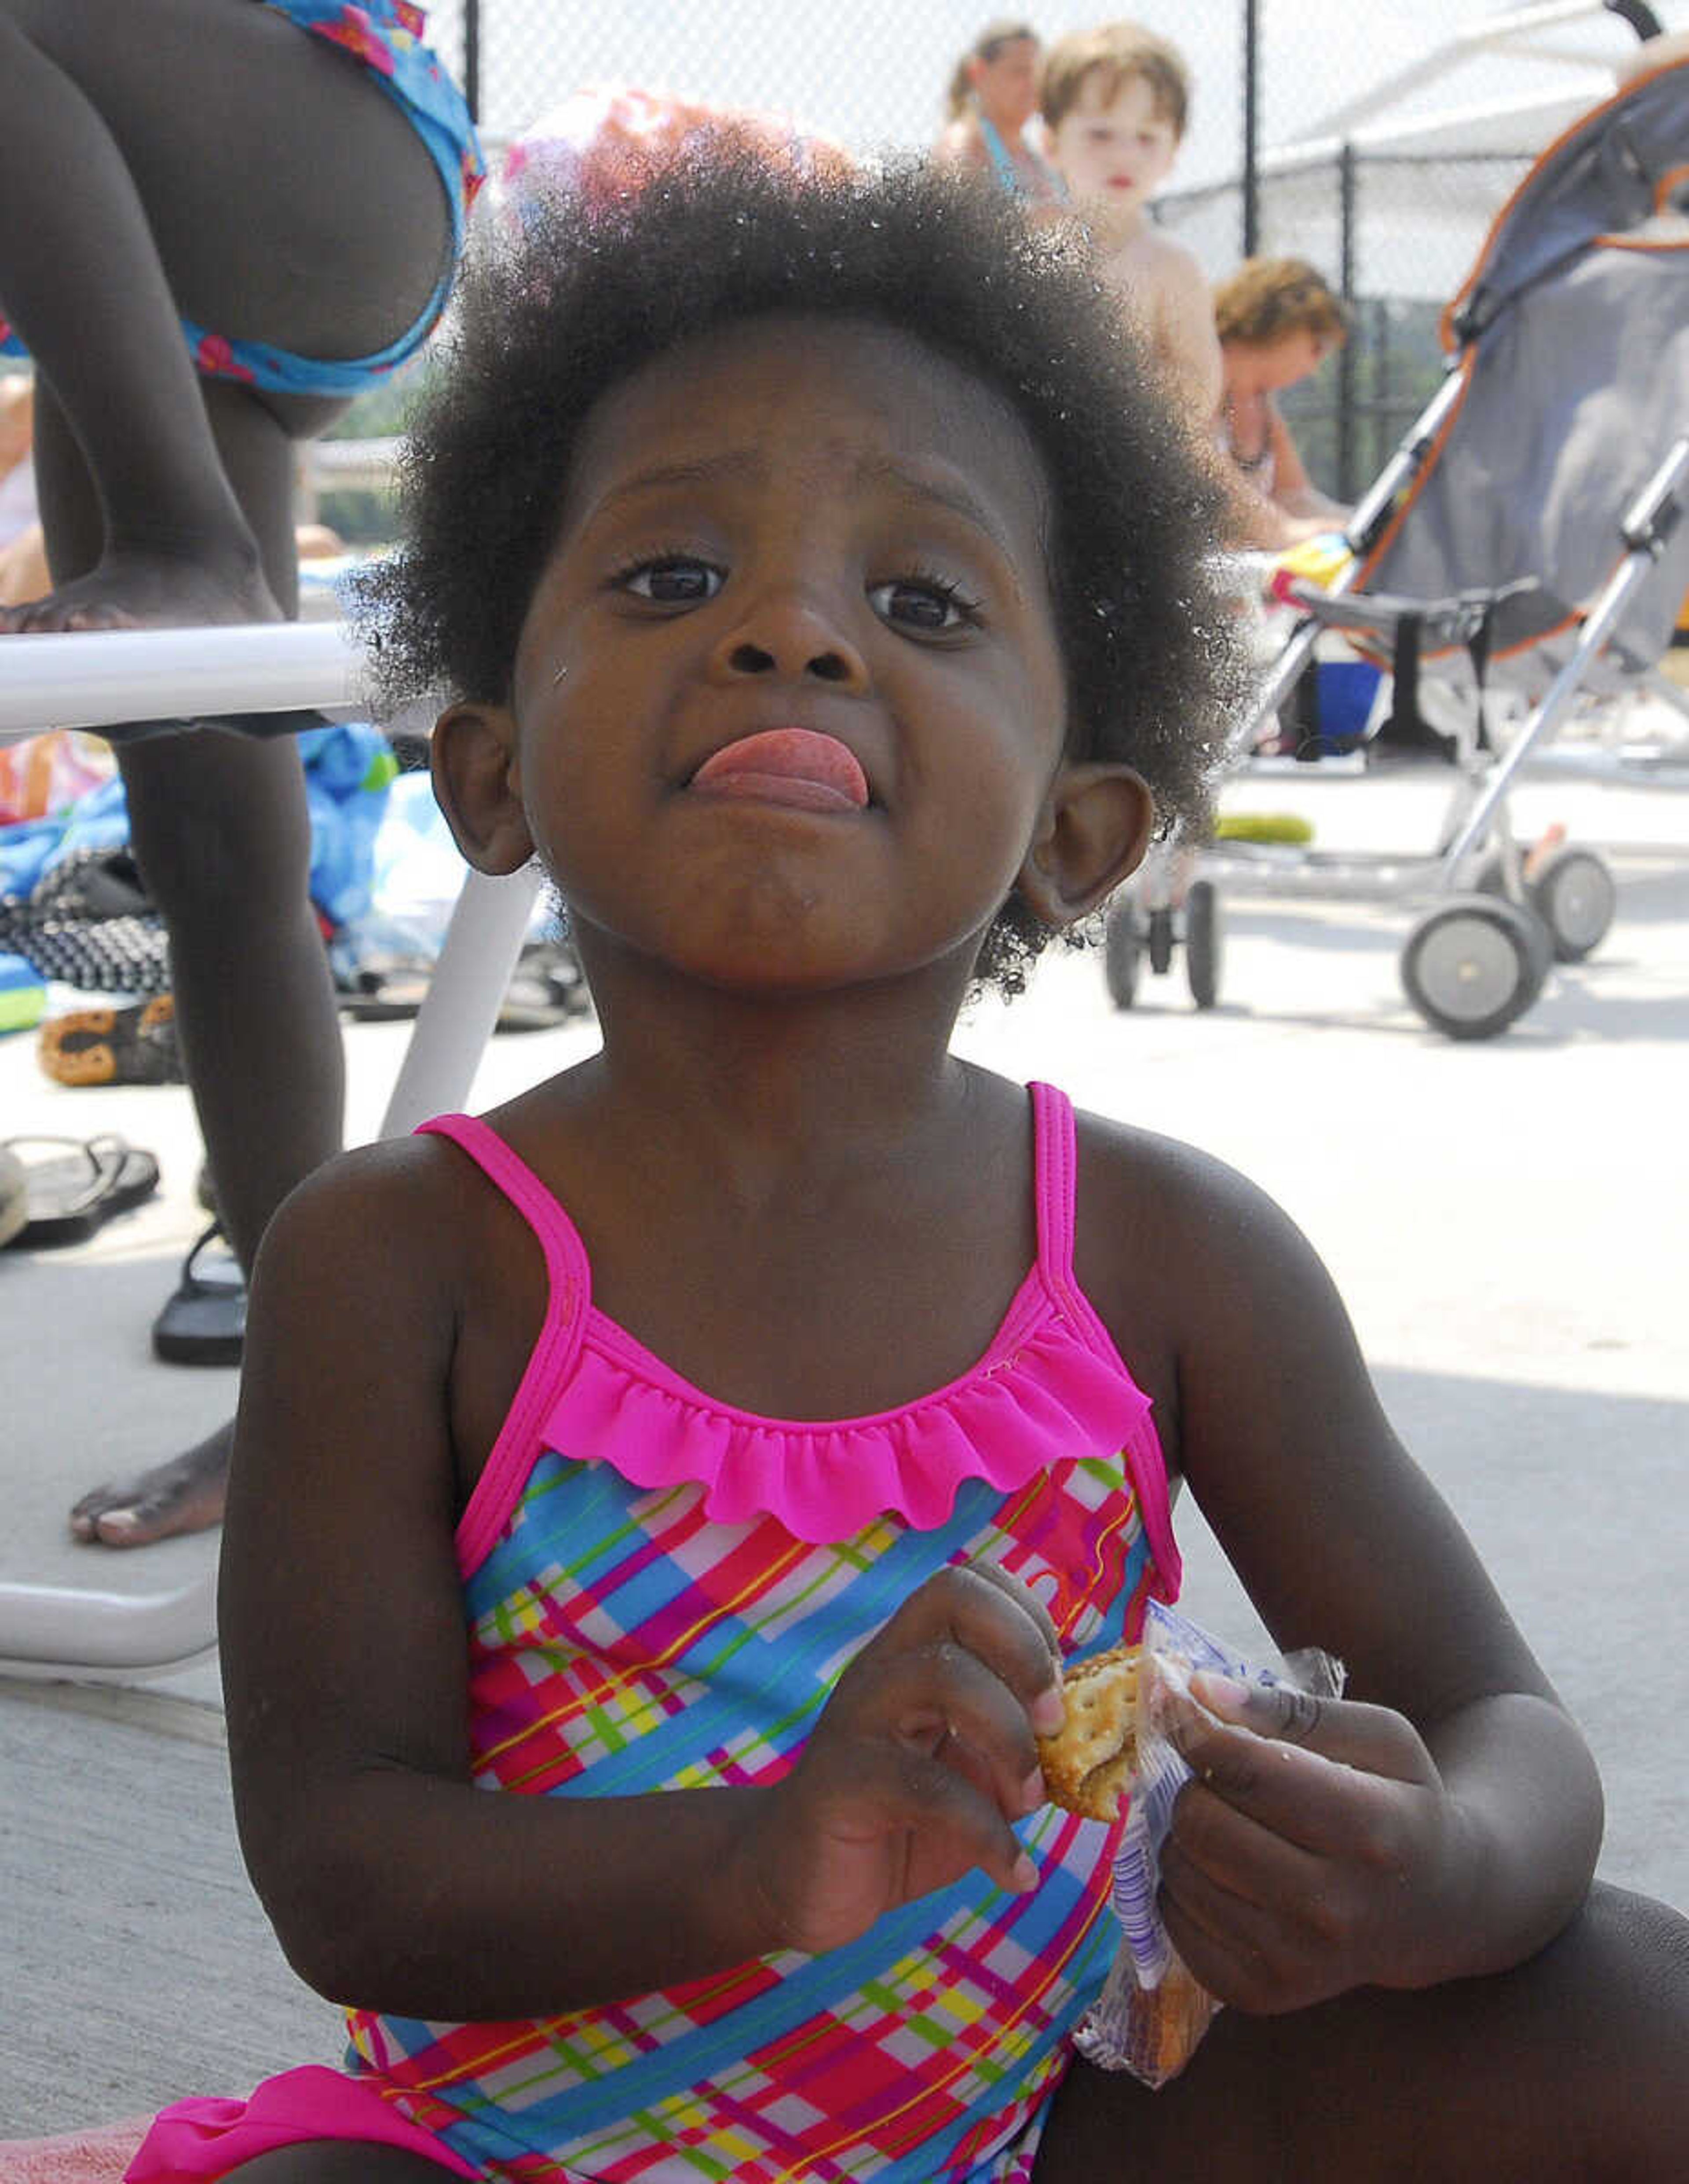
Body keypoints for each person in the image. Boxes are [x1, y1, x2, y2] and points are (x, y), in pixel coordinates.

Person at [123, 154, 1688, 2183]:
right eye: (672, 577)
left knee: (1631, 2013)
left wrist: (1427, 1863)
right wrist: (763, 1857)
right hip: (511, 2159)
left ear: (1082, 829)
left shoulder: (1164, 1251)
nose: (791, 630)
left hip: (1029, 2132)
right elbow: (347, 1866)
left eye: (923, 601)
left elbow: (1511, 1731)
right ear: (494, 769)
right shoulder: (397, 1256)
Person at [0, 0, 481, 1545]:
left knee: (186, 620)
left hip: (309, 150)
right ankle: (308, 1408)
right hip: (177, 274)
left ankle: (189, 540)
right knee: (212, 844)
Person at [1040, 21, 1221, 440]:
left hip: (1136, 471)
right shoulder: (1033, 256)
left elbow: (1198, 385)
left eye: (1146, 137)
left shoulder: (1170, 266)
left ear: (1172, 153)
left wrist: (1114, 403)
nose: (1124, 155)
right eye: (1101, 134)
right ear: (1051, 143)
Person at [1214, 255, 1352, 550]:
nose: (1315, 366)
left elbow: (1293, 496)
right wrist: (1278, 529)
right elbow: (1202, 471)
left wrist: (1356, 525)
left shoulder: (1262, 400)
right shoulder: (1199, 372)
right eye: (1317, 346)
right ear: (1283, 324)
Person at [935, 18, 1064, 208]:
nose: (1032, 85)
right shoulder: (963, 146)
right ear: (978, 73)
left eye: (1037, 74)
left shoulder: (1037, 155)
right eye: (1020, 72)